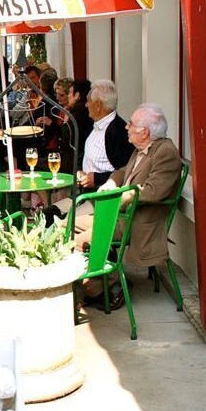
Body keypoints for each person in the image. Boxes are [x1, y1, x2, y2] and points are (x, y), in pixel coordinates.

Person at [70, 103, 183, 307]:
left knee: (76, 243)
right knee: (66, 226)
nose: (125, 127)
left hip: (137, 222)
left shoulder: (165, 152)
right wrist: (111, 182)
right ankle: (105, 282)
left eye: (130, 124)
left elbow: (152, 191)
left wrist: (118, 198)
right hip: (118, 215)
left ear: (145, 132)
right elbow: (123, 170)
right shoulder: (141, 148)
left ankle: (108, 286)